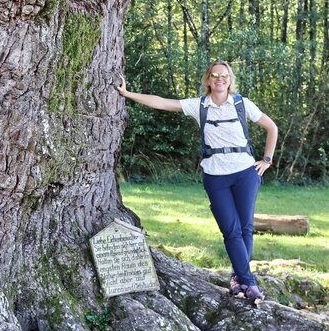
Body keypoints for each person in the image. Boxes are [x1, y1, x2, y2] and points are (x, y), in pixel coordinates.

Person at [116, 60, 279, 304]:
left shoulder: (242, 104)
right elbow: (162, 102)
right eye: (215, 75)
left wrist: (266, 160)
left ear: (230, 79)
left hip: (245, 173)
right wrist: (127, 94)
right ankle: (250, 283)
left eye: (224, 75)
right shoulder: (199, 106)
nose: (220, 79)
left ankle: (240, 278)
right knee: (231, 229)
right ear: (208, 80)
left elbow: (271, 127)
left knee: (245, 227)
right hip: (215, 175)